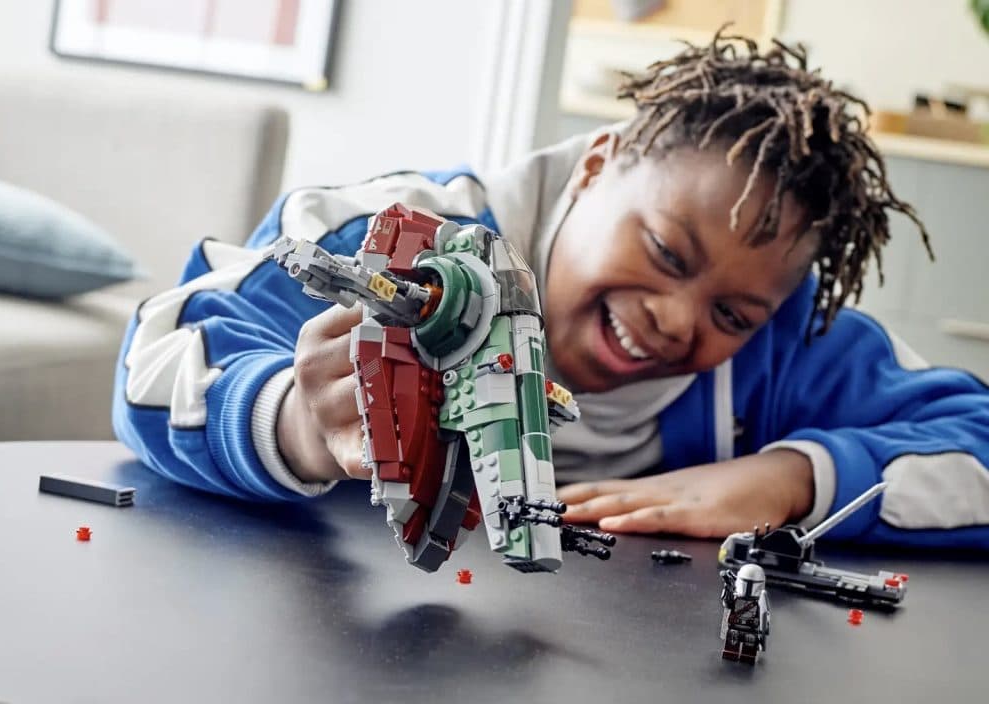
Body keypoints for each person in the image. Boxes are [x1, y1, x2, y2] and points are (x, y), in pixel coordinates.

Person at [112, 30, 989, 549]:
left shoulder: (785, 338)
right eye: (666, 252)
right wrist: (297, 423)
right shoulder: (394, 241)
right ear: (598, 164)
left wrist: (792, 477)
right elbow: (158, 360)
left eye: (731, 313)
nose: (677, 321)